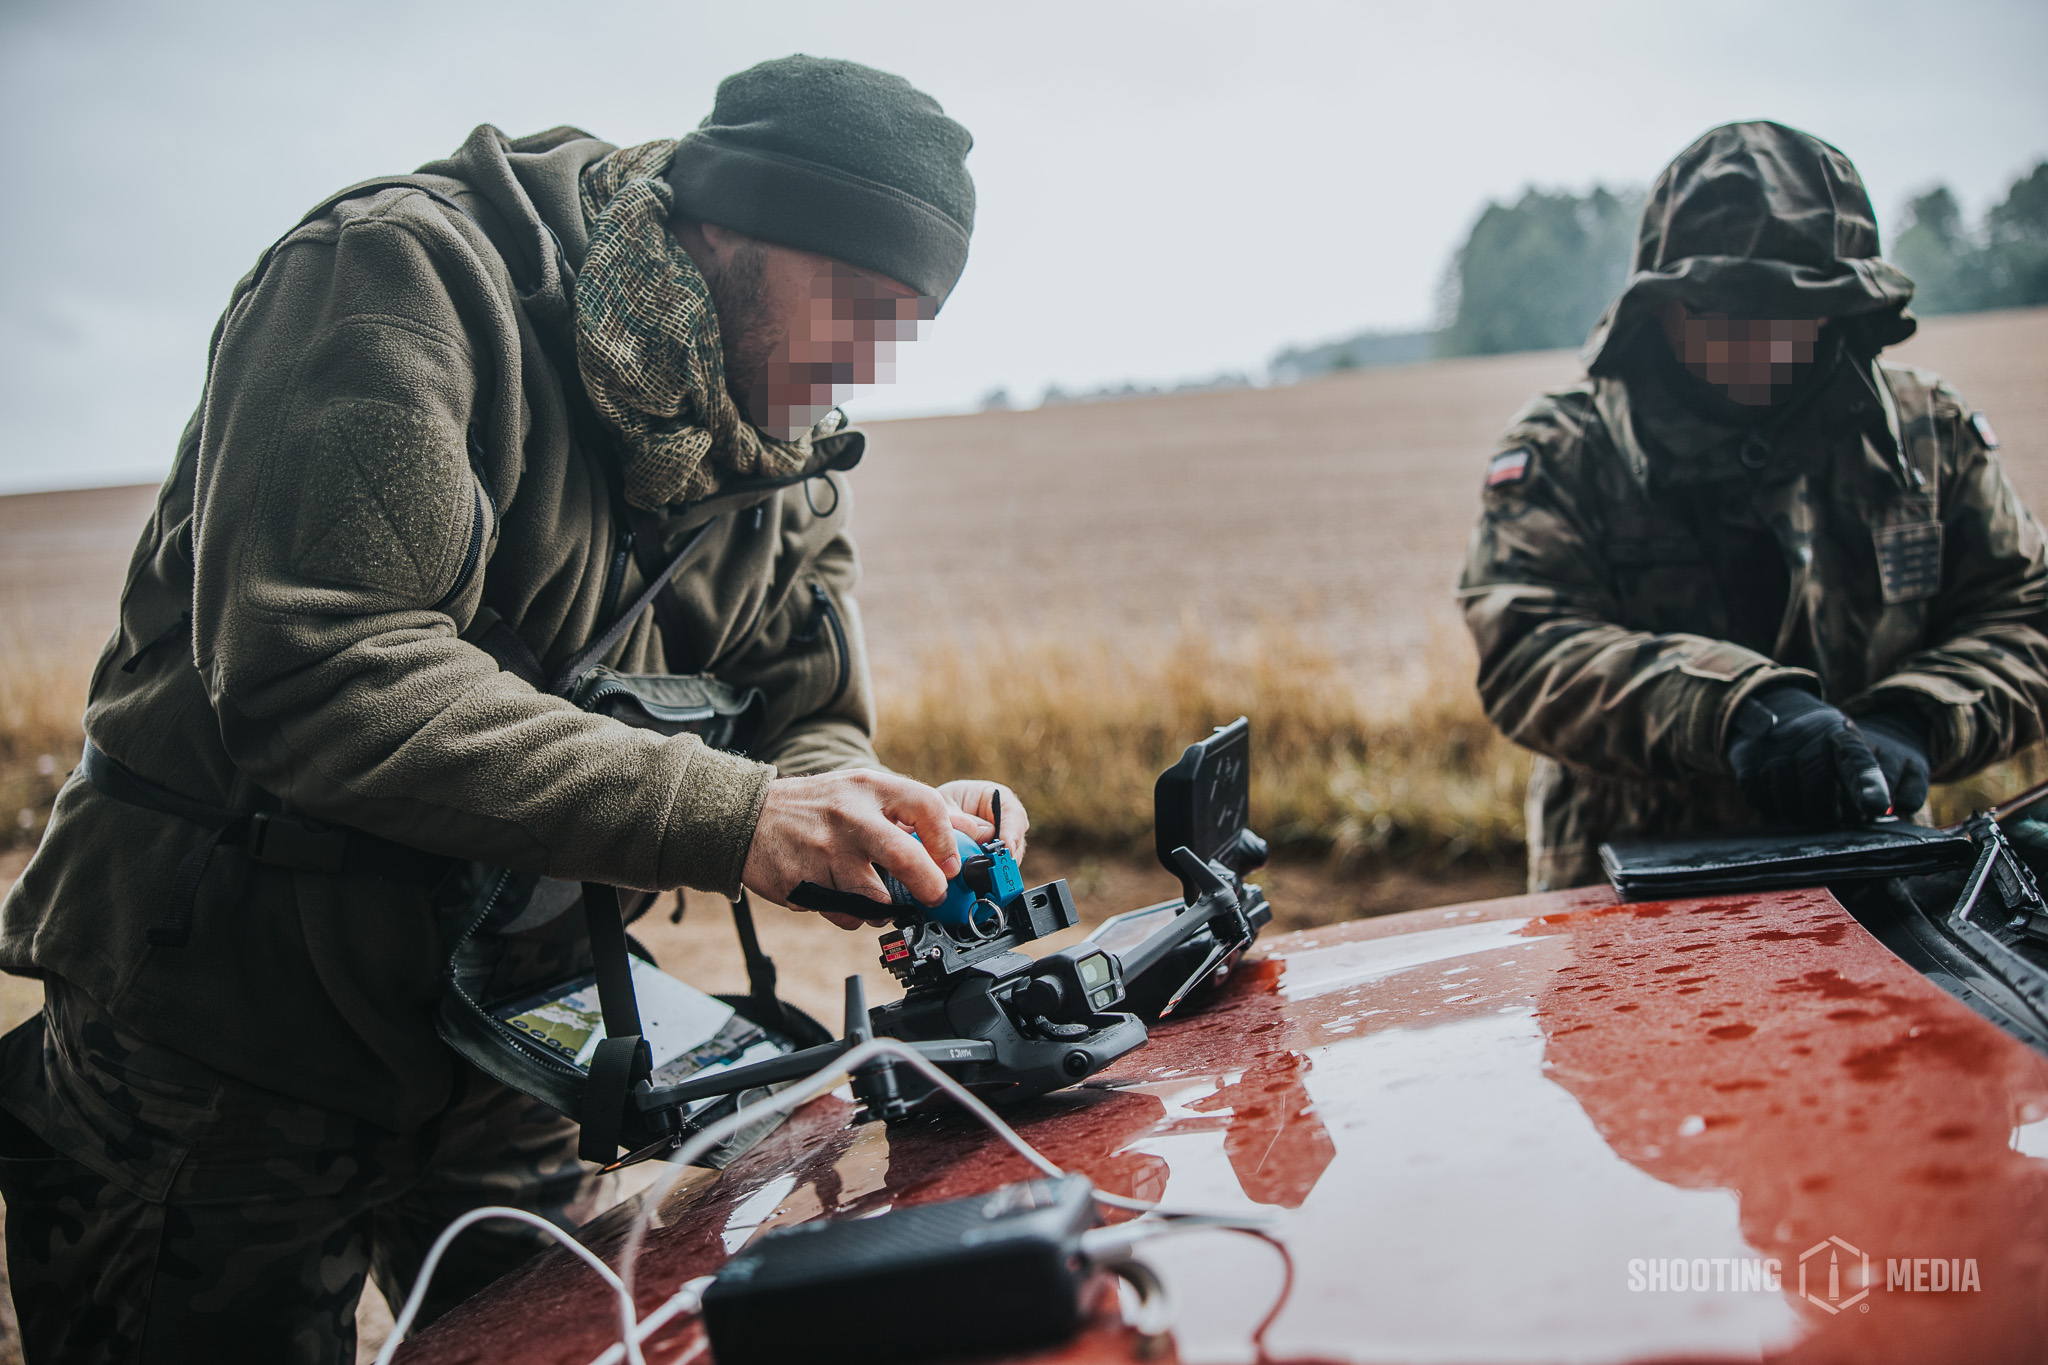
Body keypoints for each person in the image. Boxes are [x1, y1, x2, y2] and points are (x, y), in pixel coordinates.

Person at [0, 55, 1024, 1362]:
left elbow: (801, 715)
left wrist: (873, 819)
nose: (867, 363)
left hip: (522, 1035)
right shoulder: (399, 285)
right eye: (858, 304)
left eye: (906, 324)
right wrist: (744, 812)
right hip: (227, 1036)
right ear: (739, 228)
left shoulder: (779, 438)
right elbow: (321, 669)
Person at [1458, 121, 2048, 892]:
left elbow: (2026, 614)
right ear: (1661, 307)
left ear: (1843, 308)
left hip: (1874, 884)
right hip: (1623, 908)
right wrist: (1734, 708)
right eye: (1725, 314)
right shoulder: (1568, 448)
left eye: (1791, 313)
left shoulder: (1927, 436)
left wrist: (1917, 719)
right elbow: (1526, 646)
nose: (1759, 345)